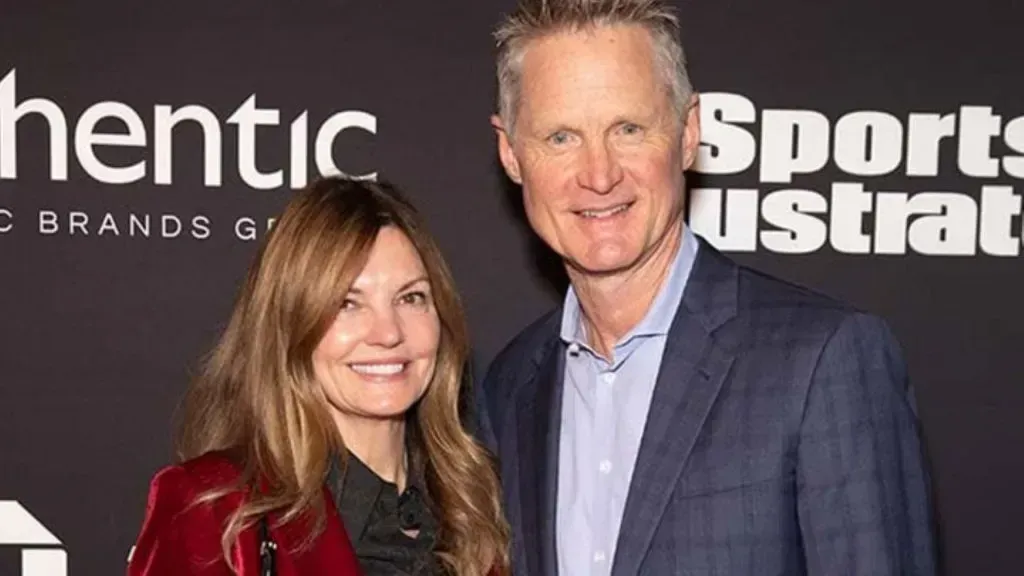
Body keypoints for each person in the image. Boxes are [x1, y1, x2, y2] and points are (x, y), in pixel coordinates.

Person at [479, 1, 938, 575]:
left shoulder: (823, 360)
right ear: (510, 153)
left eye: (628, 129)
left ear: (687, 133)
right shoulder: (511, 385)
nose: (599, 174)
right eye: (561, 137)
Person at [127, 177, 510, 576]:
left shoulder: (474, 506)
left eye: (411, 297)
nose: (389, 333)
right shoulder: (215, 512)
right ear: (291, 326)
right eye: (347, 303)